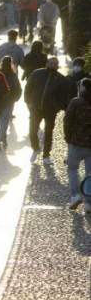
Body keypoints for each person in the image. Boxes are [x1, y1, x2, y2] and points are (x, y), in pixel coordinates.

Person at [24, 57, 70, 164]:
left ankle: (46, 155)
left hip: (50, 111)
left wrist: (57, 107)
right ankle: (35, 149)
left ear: (57, 65)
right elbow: (28, 88)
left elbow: (63, 96)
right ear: (47, 63)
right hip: (35, 109)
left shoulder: (61, 79)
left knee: (48, 133)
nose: (53, 65)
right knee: (32, 131)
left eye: (55, 63)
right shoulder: (37, 73)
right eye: (51, 63)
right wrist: (28, 101)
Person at [64, 78, 91, 213]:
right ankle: (88, 203)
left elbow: (67, 121)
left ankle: (75, 195)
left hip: (76, 143)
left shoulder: (76, 102)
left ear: (82, 88)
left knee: (73, 170)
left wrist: (68, 138)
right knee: (89, 174)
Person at [0, 56, 22, 150]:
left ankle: (0, 140)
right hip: (8, 102)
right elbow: (18, 89)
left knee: (1, 122)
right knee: (4, 122)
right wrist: (14, 99)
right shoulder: (13, 75)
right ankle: (1, 139)